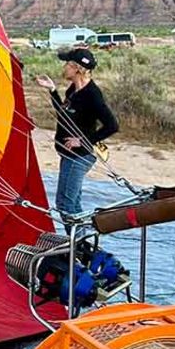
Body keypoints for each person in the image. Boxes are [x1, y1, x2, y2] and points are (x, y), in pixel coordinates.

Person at [36, 47, 119, 232]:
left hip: (79, 157)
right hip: (68, 155)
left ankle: (78, 247)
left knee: (65, 203)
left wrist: (83, 141)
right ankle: (80, 244)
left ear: (77, 68)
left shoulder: (92, 95)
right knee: (72, 203)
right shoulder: (73, 89)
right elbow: (64, 115)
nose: (64, 67)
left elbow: (112, 125)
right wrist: (52, 91)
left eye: (67, 64)